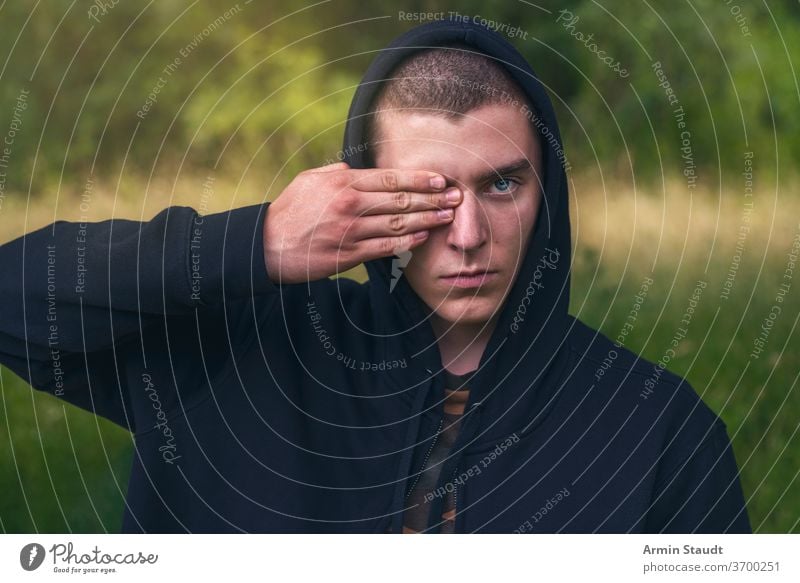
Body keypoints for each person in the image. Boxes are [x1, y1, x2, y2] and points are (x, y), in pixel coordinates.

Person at [0, 19, 750, 533]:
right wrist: (256, 240)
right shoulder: (242, 351)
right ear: (364, 191)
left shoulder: (658, 428)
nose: (466, 235)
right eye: (427, 194)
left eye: (500, 186)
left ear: (545, 189)